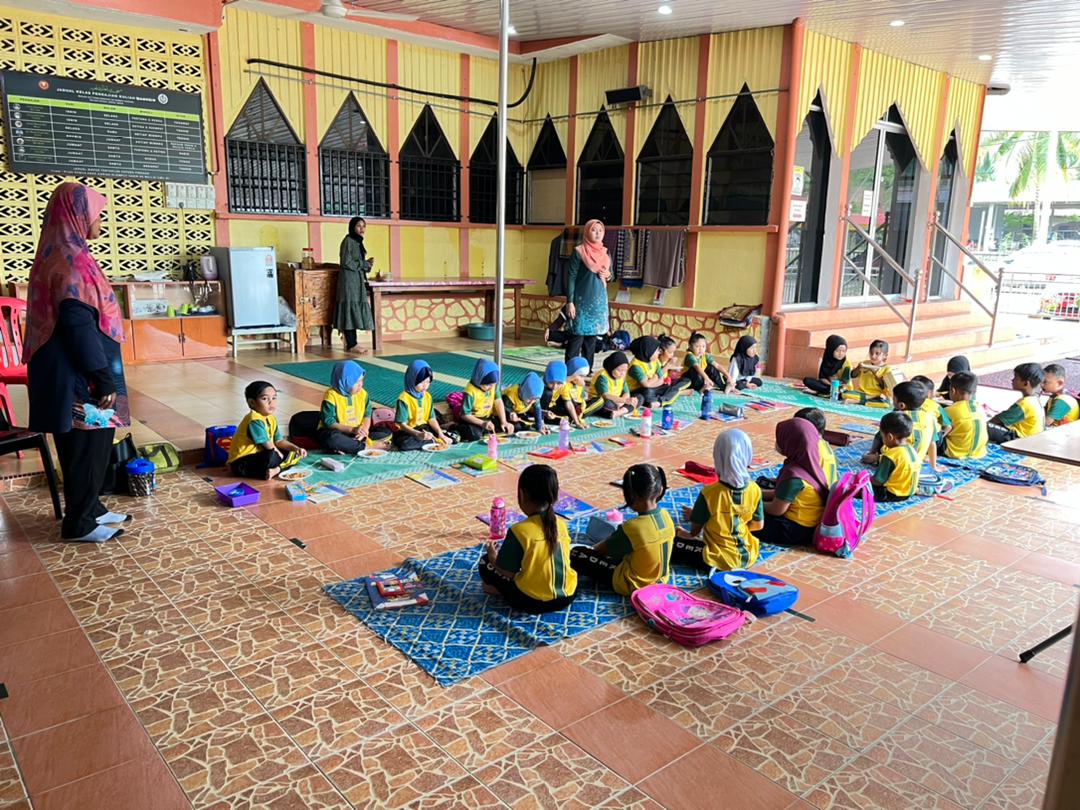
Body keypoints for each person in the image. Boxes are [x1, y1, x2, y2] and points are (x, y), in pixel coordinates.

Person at [25, 182, 132, 542]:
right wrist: (102, 377)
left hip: (74, 369)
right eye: (96, 213)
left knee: (91, 444)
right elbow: (77, 324)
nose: (99, 220)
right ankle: (79, 524)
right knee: (88, 445)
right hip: (80, 375)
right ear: (78, 215)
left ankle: (91, 508)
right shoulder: (69, 263)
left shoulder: (60, 253)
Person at [479, 464, 578, 614]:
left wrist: (493, 556)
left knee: (485, 562)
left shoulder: (519, 530)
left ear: (522, 494)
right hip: (567, 596)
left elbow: (508, 573)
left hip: (532, 602)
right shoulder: (561, 524)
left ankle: (494, 589)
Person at [569, 464, 674, 595]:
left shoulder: (633, 527)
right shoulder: (666, 515)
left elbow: (600, 550)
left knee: (577, 553)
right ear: (660, 490)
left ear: (631, 495)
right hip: (660, 580)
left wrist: (590, 549)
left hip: (634, 585)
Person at [672, 430, 763, 571]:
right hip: (749, 554)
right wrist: (732, 530)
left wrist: (685, 534)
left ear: (718, 456)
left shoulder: (710, 493)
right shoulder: (755, 489)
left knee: (671, 543)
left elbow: (694, 531)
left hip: (720, 559)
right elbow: (758, 525)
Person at [760, 419, 831, 547]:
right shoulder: (810, 463)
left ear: (791, 442)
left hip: (794, 530)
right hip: (810, 525)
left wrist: (751, 502)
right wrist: (758, 493)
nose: (777, 442)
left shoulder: (793, 475)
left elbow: (776, 510)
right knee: (758, 487)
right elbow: (782, 495)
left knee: (743, 515)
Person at [228, 382, 306, 479]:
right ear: (252, 403)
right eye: (265, 398)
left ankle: (275, 470)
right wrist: (279, 455)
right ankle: (278, 468)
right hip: (241, 462)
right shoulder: (254, 419)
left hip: (260, 456)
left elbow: (279, 441)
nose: (271, 402)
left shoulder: (271, 418)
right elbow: (267, 444)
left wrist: (296, 448)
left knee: (294, 453)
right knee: (273, 455)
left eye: (274, 398)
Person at [565, 219, 612, 370]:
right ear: (586, 232)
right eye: (594, 230)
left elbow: (610, 276)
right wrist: (570, 302)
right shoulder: (579, 251)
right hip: (581, 301)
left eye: (600, 230)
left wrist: (608, 275)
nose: (598, 233)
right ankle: (570, 370)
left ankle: (586, 369)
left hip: (598, 301)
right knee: (577, 336)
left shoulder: (605, 252)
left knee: (591, 339)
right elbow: (571, 276)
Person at [334, 216, 376, 354]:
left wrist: (367, 264)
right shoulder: (348, 241)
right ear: (352, 227)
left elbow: (357, 263)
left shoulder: (357, 242)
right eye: (359, 226)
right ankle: (352, 344)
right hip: (349, 281)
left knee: (353, 310)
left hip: (356, 280)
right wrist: (364, 264)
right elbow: (346, 262)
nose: (362, 229)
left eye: (364, 226)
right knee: (349, 310)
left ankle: (351, 341)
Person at [318, 360, 373, 455]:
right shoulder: (331, 395)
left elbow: (367, 415)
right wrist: (351, 430)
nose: (360, 385)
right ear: (344, 381)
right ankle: (364, 447)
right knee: (332, 438)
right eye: (356, 382)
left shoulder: (363, 394)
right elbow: (328, 422)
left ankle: (349, 446)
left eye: (361, 380)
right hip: (338, 431)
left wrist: (364, 430)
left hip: (356, 432)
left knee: (384, 432)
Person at [394, 359, 449, 450]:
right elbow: (402, 425)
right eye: (421, 382)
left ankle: (433, 438)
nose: (425, 386)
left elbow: (431, 418)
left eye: (428, 382)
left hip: (424, 428)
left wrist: (440, 434)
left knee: (453, 437)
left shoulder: (427, 396)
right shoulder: (404, 399)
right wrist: (418, 434)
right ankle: (432, 440)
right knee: (405, 444)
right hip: (409, 430)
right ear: (412, 380)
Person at [456, 359, 514, 440]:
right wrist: (482, 423)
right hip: (473, 420)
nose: (491, 388)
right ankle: (453, 426)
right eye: (488, 385)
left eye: (493, 384)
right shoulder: (470, 392)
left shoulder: (493, 386)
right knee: (475, 435)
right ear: (479, 379)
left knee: (509, 427)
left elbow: (498, 401)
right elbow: (465, 415)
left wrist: (504, 421)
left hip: (488, 418)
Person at [989, 363, 1046, 443]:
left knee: (985, 427)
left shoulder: (1025, 403)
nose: (1012, 380)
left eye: (1016, 378)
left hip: (1021, 440)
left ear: (1026, 383)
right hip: (1032, 439)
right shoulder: (1035, 399)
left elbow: (998, 419)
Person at [871, 411, 920, 502]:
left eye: (882, 436)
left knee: (860, 487)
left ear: (890, 437)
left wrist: (866, 479)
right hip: (908, 493)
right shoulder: (912, 450)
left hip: (891, 494)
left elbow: (878, 481)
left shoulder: (891, 455)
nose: (882, 439)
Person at [627, 336, 690, 406]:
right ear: (649, 351)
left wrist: (655, 381)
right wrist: (658, 376)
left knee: (686, 381)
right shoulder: (635, 367)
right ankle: (668, 396)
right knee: (647, 393)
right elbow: (646, 384)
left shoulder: (654, 361)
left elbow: (661, 380)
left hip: (654, 387)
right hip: (640, 390)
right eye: (657, 351)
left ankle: (666, 396)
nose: (659, 353)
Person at [941, 372, 988, 460]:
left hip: (955, 452)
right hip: (979, 452)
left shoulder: (949, 410)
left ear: (953, 391)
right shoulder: (980, 407)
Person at [912, 375, 950, 469]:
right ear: (930, 393)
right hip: (931, 440)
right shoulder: (936, 406)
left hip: (910, 439)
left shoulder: (907, 404)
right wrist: (941, 435)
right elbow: (948, 426)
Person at [793, 407, 838, 486]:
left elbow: (795, 483)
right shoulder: (824, 444)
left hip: (816, 491)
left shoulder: (807, 449)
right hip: (829, 489)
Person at [586, 351, 639, 418]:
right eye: (619, 370)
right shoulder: (602, 377)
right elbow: (606, 396)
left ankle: (618, 412)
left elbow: (626, 393)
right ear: (611, 368)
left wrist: (623, 401)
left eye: (625, 370)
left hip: (618, 401)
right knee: (606, 403)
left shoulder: (621, 377)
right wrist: (624, 401)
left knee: (638, 397)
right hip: (602, 401)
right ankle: (622, 410)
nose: (622, 373)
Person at [554, 357, 590, 427]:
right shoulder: (565, 384)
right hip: (559, 406)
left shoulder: (579, 383)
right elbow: (568, 403)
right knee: (568, 417)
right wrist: (577, 422)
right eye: (581, 376)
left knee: (600, 400)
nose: (582, 379)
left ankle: (576, 416)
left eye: (584, 376)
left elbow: (582, 399)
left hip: (576, 406)